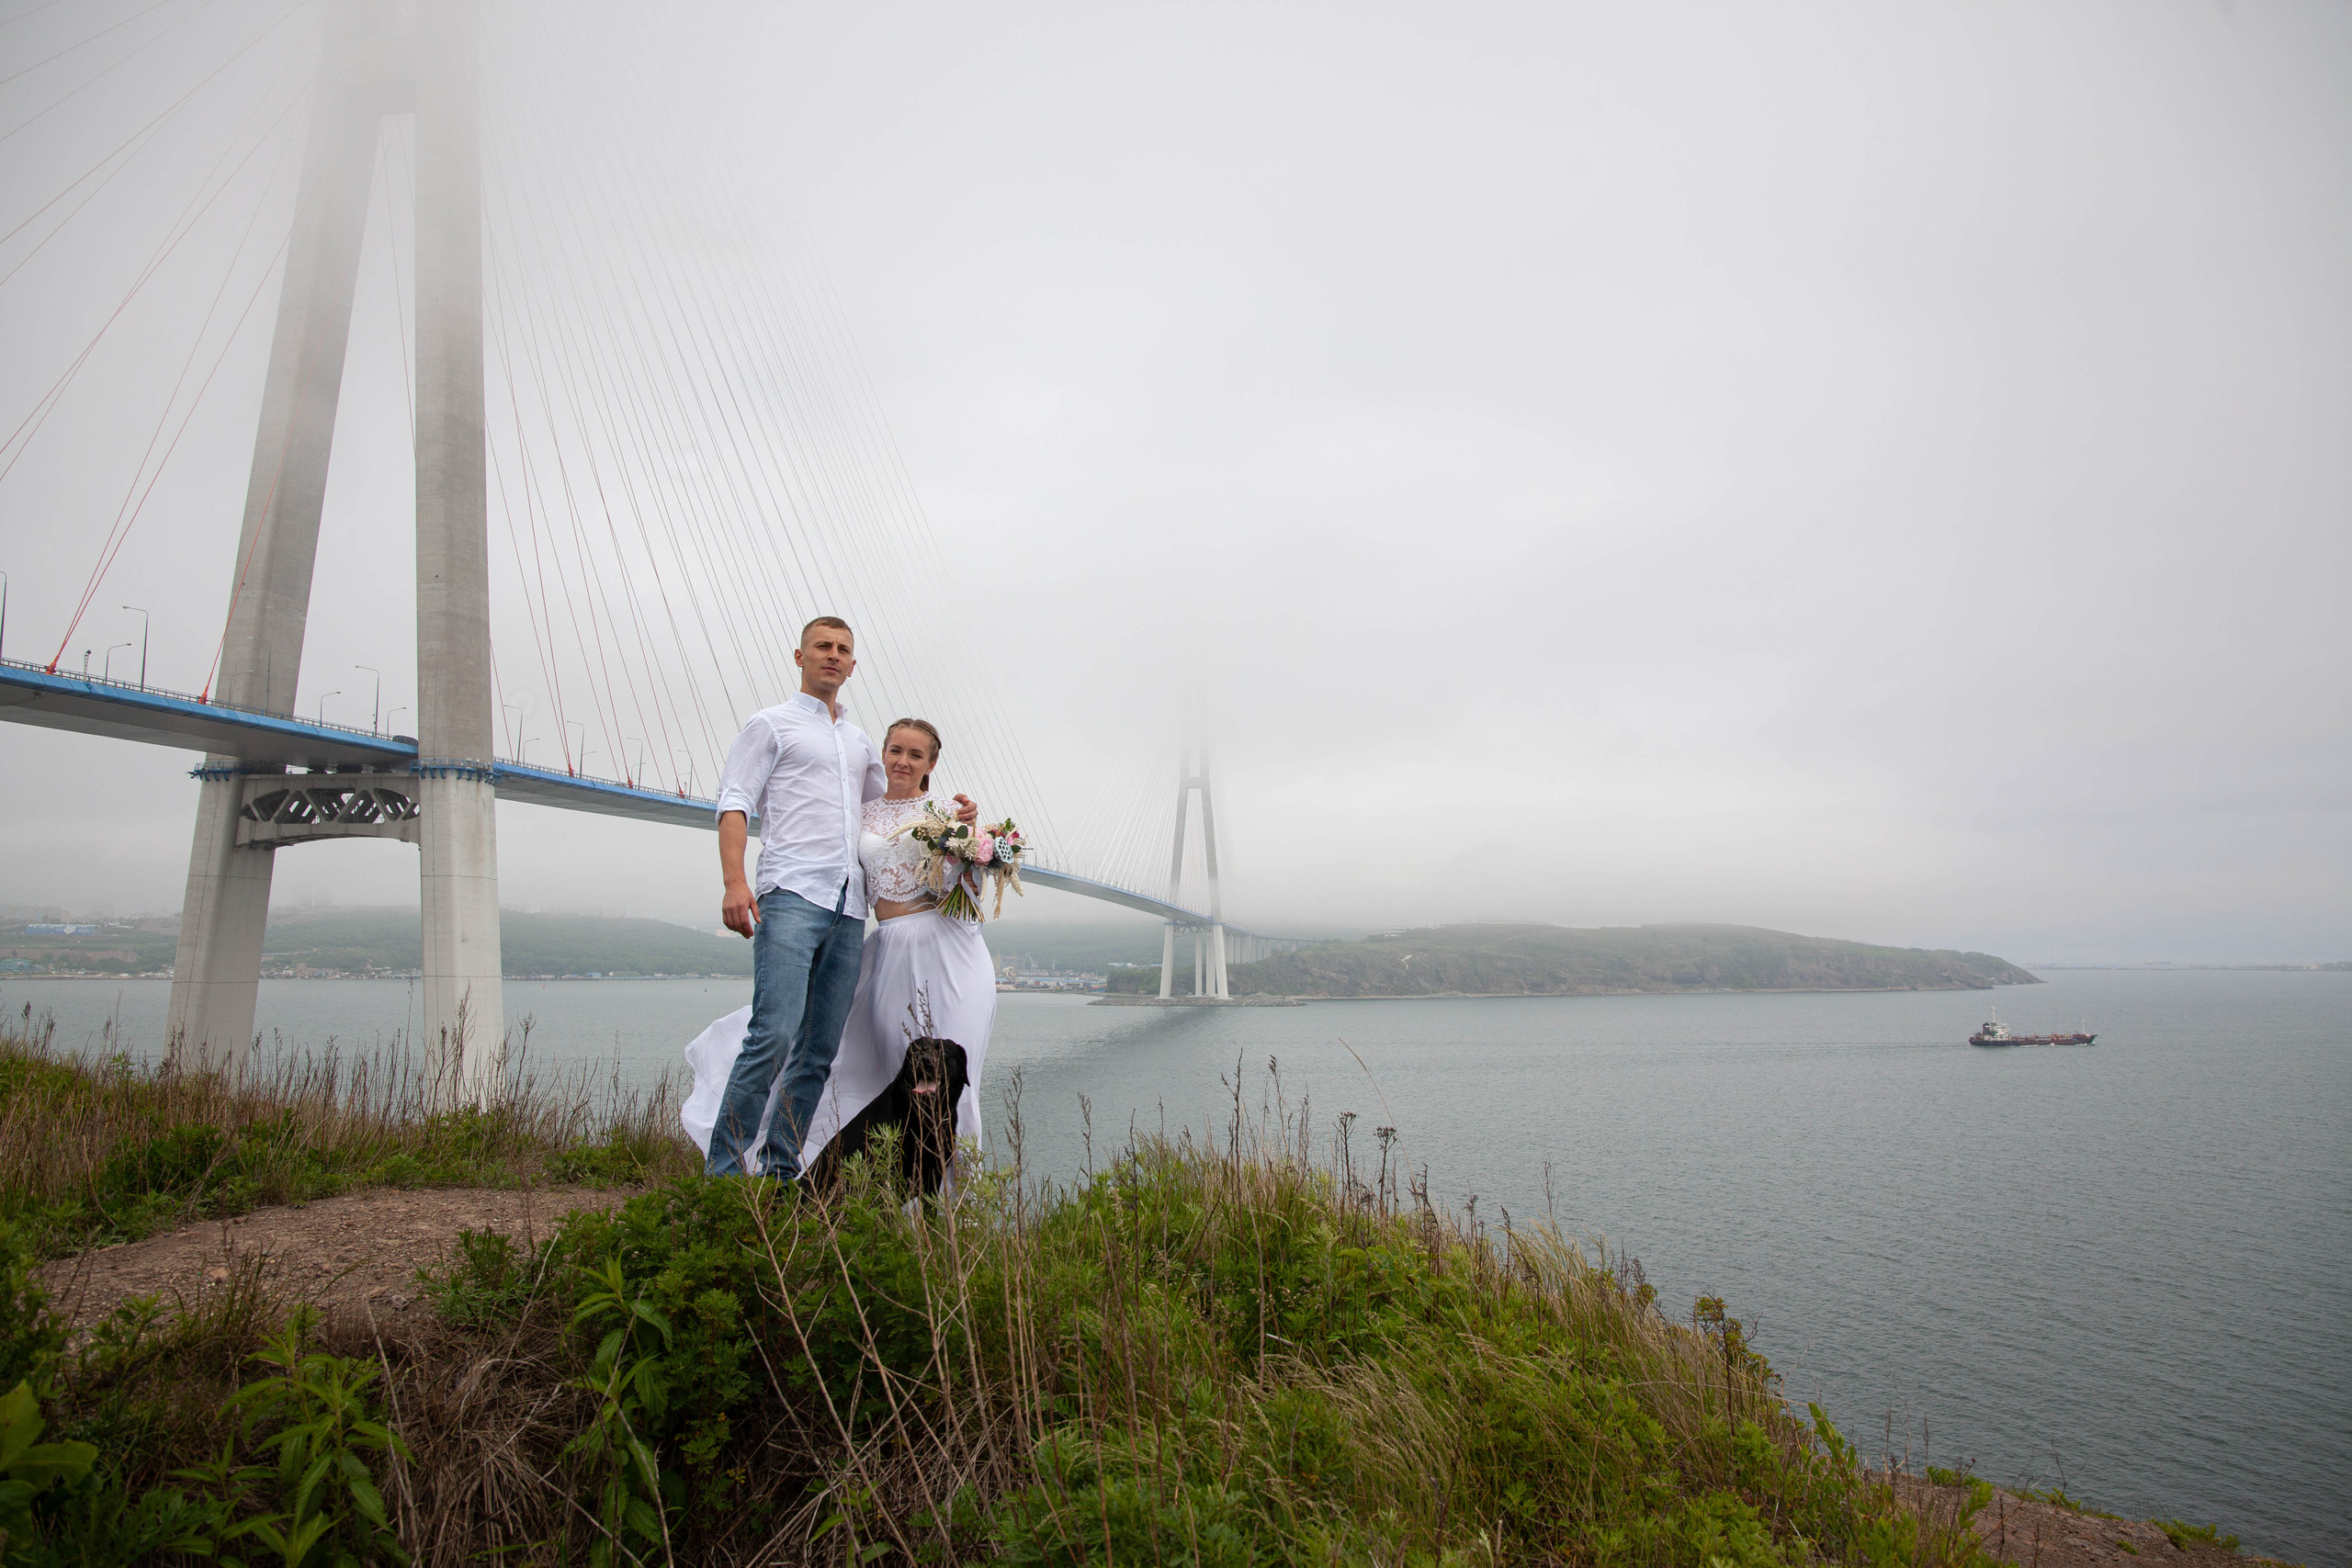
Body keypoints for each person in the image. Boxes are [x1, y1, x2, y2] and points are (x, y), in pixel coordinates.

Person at [697, 616, 975, 1179]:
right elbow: (734, 803)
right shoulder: (769, 726)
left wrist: (956, 817)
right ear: (799, 657)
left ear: (852, 665)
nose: (832, 655)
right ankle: (723, 1174)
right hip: (792, 894)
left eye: (843, 650)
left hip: (850, 910)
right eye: (821, 646)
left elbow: (896, 813)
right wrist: (734, 881)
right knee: (774, 1032)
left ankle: (778, 1171)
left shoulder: (859, 743)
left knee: (818, 1050)